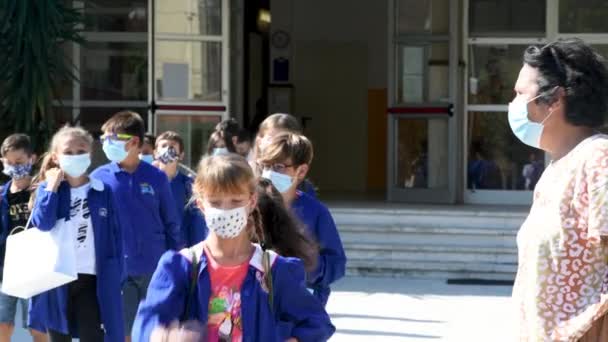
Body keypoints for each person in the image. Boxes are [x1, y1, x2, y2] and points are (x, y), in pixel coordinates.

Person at [132, 154, 335, 342]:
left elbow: (317, 322)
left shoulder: (274, 269)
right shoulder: (180, 267)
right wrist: (161, 335)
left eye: (235, 201)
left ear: (252, 201)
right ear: (201, 205)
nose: (225, 210)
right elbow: (148, 321)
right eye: (215, 202)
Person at [509, 38, 608, 341]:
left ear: (554, 99)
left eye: (520, 94)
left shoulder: (598, 159)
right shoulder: (556, 168)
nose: (513, 104)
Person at [90, 111, 183, 341]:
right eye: (103, 140)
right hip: (119, 271)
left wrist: (178, 265)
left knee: (155, 332)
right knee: (123, 332)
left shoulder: (156, 177)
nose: (105, 145)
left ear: (133, 142)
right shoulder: (98, 178)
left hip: (155, 269)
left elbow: (171, 224)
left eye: (111, 139)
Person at [28, 126, 124, 341]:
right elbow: (43, 223)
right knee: (59, 337)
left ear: (90, 154)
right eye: (68, 153)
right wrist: (51, 186)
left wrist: (118, 274)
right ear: (56, 157)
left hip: (90, 277)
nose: (75, 157)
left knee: (93, 335)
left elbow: (116, 237)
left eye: (81, 151)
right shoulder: (48, 189)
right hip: (57, 278)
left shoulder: (102, 190)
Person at [258, 132, 346, 307]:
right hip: (258, 301)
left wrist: (308, 264)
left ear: (301, 171)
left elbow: (336, 264)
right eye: (265, 166)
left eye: (278, 167)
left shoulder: (317, 212)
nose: (268, 173)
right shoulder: (253, 206)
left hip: (299, 303)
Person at [0, 134, 47, 342]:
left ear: (32, 159)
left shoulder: (42, 190)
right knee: (3, 323)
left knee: (37, 326)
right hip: (7, 267)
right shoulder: (2, 195)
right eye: (9, 162)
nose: (14, 166)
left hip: (36, 267)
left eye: (19, 162)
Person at [153, 131, 207, 246]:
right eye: (163, 146)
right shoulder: (147, 183)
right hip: (152, 249)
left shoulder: (188, 185)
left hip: (179, 249)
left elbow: (196, 222)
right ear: (155, 153)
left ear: (181, 155)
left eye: (172, 146)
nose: (167, 149)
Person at [255, 114, 317, 197]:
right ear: (260, 141)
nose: (277, 145)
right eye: (271, 138)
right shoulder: (245, 176)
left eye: (284, 140)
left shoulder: (305, 188)